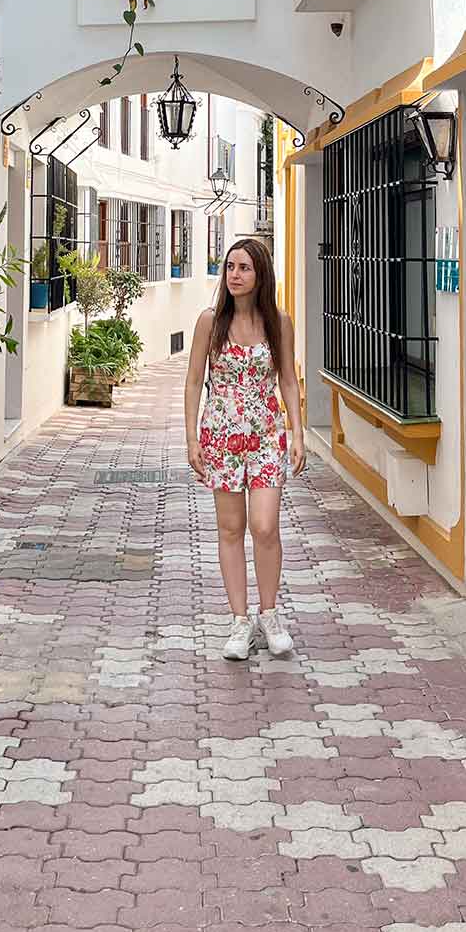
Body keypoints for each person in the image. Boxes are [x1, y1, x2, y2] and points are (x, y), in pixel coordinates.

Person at [184, 237, 306, 660]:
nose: (235, 275)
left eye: (244, 268)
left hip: (268, 434)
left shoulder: (279, 322)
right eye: (230, 267)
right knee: (231, 529)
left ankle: (269, 614)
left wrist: (298, 432)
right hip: (221, 436)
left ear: (260, 275)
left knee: (265, 526)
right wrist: (191, 438)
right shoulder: (209, 322)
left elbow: (288, 379)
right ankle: (240, 621)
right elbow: (194, 380)